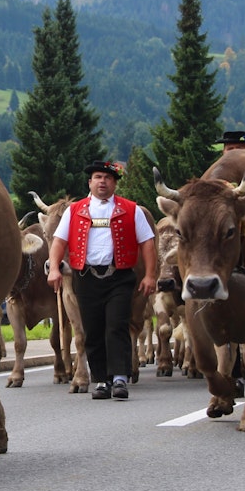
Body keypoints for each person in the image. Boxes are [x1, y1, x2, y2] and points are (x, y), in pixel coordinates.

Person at [47, 160, 157, 400]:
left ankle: (119, 377)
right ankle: (101, 380)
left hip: (119, 276)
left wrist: (150, 275)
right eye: (98, 177)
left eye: (107, 178)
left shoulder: (131, 209)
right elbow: (59, 241)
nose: (102, 182)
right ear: (90, 182)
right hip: (86, 277)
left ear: (115, 183)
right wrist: (54, 268)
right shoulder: (75, 211)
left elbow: (147, 243)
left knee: (116, 325)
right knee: (92, 330)